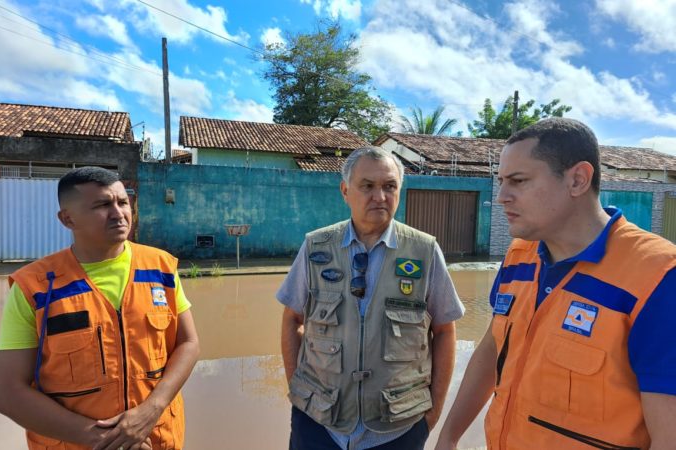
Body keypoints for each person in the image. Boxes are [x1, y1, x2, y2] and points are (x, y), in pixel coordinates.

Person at [435, 118, 676, 450]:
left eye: (518, 181)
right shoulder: (520, 255)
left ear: (577, 180)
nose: (501, 196)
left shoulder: (657, 277)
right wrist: (448, 437)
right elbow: (492, 348)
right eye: (501, 181)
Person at [0, 166, 200, 450]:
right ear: (67, 219)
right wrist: (105, 439)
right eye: (103, 205)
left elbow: (188, 343)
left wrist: (151, 411)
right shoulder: (35, 287)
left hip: (158, 439)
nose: (118, 213)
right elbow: (6, 390)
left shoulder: (161, 267)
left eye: (123, 202)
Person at [278, 146, 465, 450]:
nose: (380, 196)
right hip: (318, 426)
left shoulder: (424, 251)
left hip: (398, 430)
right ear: (345, 191)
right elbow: (292, 320)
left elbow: (444, 330)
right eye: (367, 186)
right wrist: (300, 395)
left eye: (389, 186)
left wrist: (431, 416)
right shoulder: (315, 247)